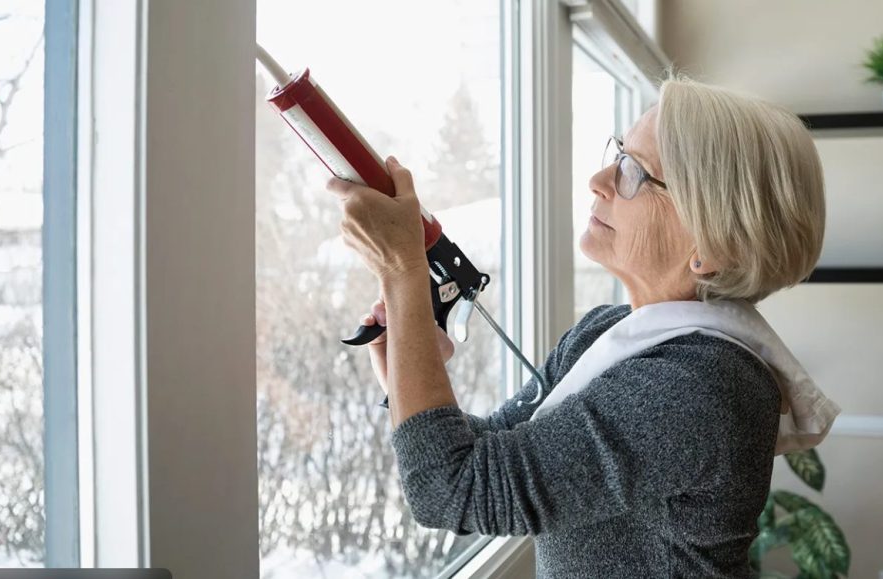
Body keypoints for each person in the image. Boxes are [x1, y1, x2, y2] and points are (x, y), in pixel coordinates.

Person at [327, 74, 837, 578]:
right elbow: (489, 457)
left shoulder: (700, 386)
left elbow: (455, 491)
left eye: (635, 172)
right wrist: (404, 370)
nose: (600, 181)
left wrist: (402, 272)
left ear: (711, 246)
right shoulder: (604, 332)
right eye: (619, 154)